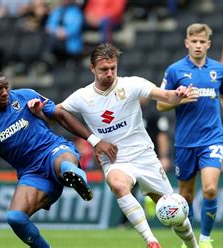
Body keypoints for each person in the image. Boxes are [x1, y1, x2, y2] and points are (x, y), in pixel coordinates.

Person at [36, 43, 199, 248]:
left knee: (172, 211)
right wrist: (39, 110)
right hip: (115, 160)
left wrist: (179, 93)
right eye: (104, 69)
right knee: (118, 184)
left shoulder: (131, 85)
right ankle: (151, 241)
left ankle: (193, 245)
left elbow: (166, 96)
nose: (110, 73)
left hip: (144, 156)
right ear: (92, 69)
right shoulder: (82, 97)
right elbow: (55, 115)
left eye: (113, 68)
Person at [0, 70, 117, 247]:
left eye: (6, 87)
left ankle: (77, 179)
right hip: (32, 173)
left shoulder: (26, 95)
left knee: (65, 166)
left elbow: (60, 115)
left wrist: (94, 141)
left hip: (53, 150)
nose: (4, 92)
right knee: (15, 218)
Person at [157, 23, 223, 248]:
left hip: (212, 138)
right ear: (186, 43)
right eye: (193, 41)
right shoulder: (174, 71)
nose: (197, 45)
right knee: (186, 196)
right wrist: (180, 99)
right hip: (185, 142)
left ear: (208, 44)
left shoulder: (219, 70)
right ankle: (190, 241)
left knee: (210, 189)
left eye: (201, 42)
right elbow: (160, 105)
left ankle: (205, 239)